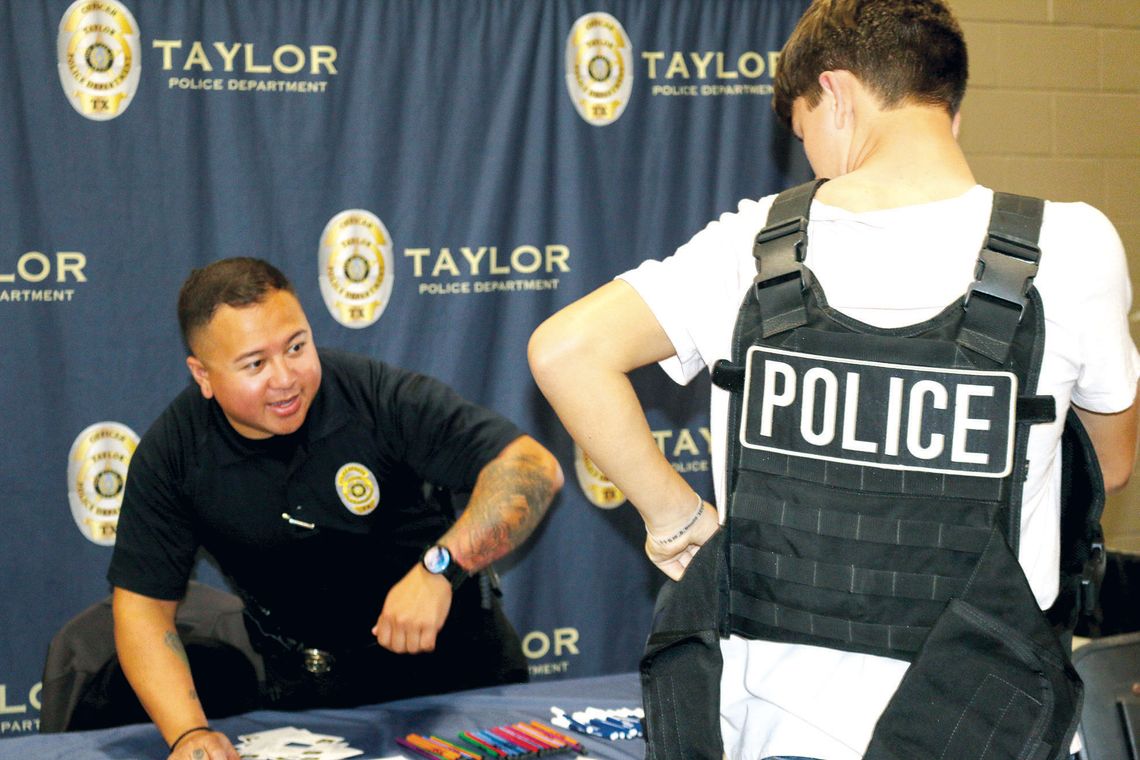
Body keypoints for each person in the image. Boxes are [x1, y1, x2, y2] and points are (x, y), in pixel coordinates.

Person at [528, 1, 1139, 759]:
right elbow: (1110, 466)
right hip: (992, 727)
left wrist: (676, 520)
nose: (810, 157)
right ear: (952, 101)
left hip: (780, 732)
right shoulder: (1073, 247)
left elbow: (565, 351)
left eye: (804, 129)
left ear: (838, 95)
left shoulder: (749, 249)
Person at [109, 257, 563, 760]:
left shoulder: (372, 396)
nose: (286, 378)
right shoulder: (173, 454)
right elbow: (143, 609)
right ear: (204, 375)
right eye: (255, 364)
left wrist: (441, 567)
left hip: (459, 685)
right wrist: (190, 734)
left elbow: (532, 468)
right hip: (309, 701)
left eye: (296, 346)